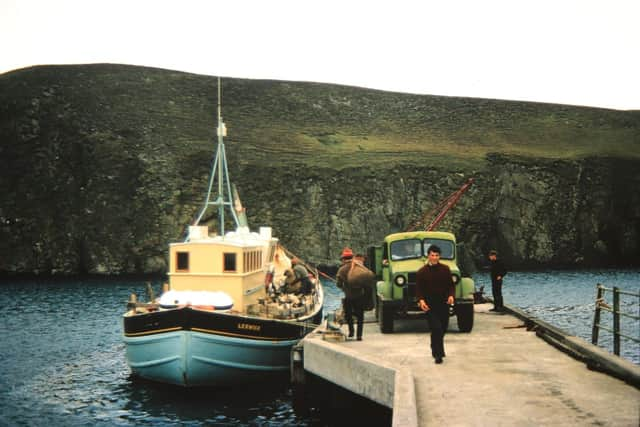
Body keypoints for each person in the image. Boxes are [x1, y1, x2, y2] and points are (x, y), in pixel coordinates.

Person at [416, 245, 454, 364]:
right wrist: (421, 300)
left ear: (439, 256)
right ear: (428, 256)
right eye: (432, 255)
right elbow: (418, 289)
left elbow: (451, 285)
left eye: (437, 255)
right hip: (429, 305)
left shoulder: (445, 269)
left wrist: (451, 295)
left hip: (443, 303)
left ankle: (434, 345)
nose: (434, 258)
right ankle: (438, 354)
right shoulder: (421, 272)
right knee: (436, 328)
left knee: (443, 328)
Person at [336, 247, 366, 341]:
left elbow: (338, 284)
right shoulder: (359, 267)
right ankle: (359, 335)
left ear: (344, 259)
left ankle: (351, 332)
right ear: (352, 257)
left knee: (348, 315)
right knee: (360, 316)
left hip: (348, 296)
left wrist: (344, 287)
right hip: (360, 295)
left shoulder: (341, 270)